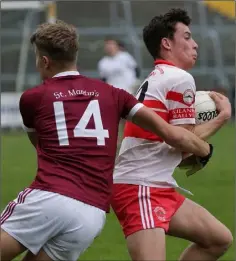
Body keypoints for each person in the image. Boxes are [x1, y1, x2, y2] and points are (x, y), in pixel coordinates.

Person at [1, 20, 213, 261]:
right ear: (75, 54)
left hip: (49, 197)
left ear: (44, 61)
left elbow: (40, 145)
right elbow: (172, 134)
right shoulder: (114, 94)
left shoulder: (32, 98)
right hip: (90, 214)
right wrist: (205, 149)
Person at [111, 8, 232, 261]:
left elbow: (180, 141)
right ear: (166, 43)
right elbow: (184, 143)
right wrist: (221, 118)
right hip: (140, 185)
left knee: (218, 239)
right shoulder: (179, 78)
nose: (195, 44)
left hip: (154, 184)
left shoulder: (159, 77)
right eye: (187, 37)